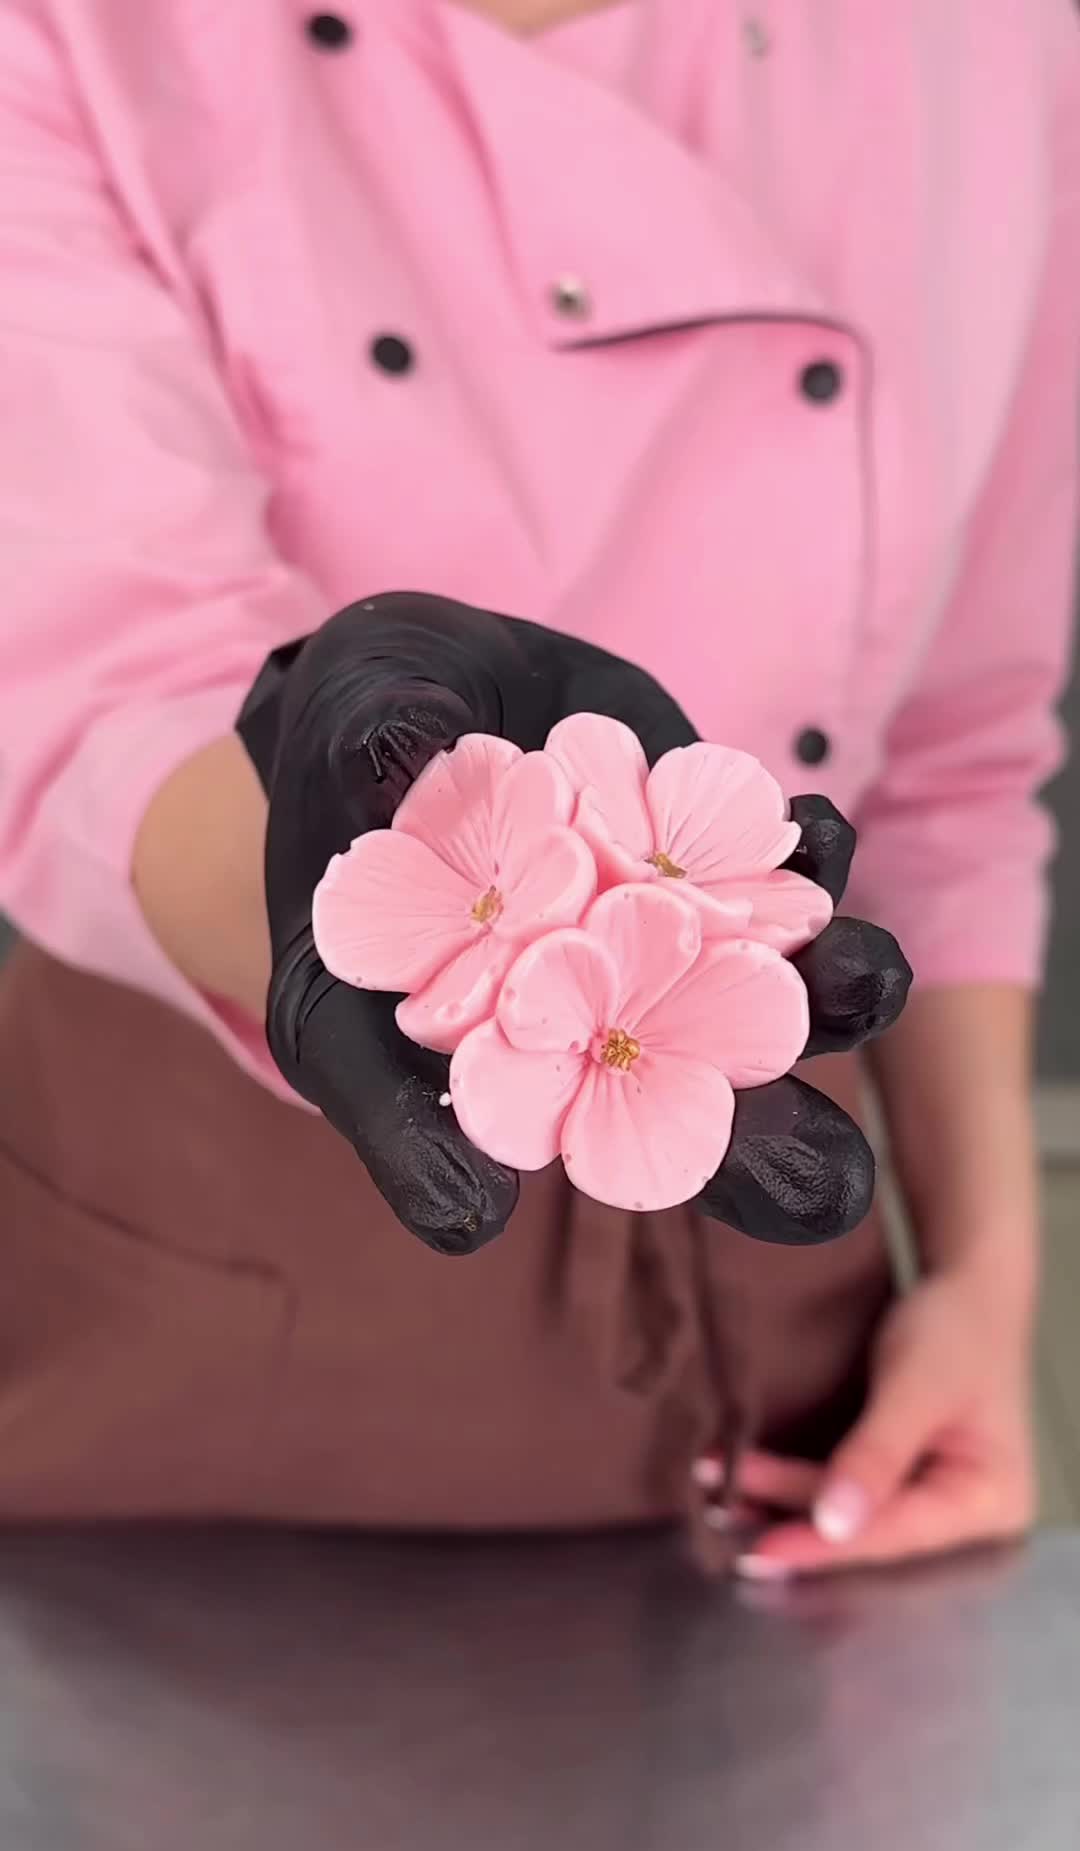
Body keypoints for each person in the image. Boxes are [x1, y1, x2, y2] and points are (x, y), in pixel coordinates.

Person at [0, 0, 1076, 1577]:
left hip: (765, 1221)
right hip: (194, 1251)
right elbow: (87, 674)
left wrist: (982, 1286)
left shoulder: (987, 38)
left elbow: (961, 748)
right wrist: (344, 905)